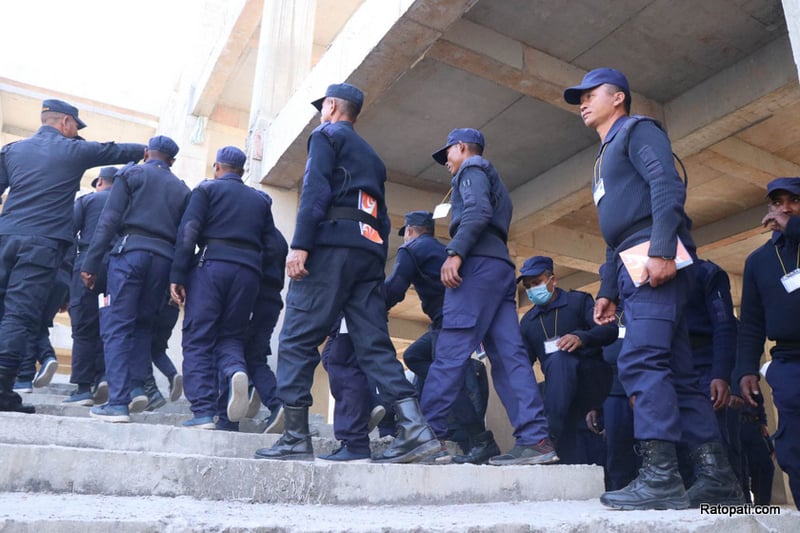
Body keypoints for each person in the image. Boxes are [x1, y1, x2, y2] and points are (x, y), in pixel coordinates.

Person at [563, 68, 742, 509]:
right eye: (578, 98)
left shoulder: (637, 132)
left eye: (590, 95)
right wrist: (606, 290)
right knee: (679, 374)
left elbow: (666, 186)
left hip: (652, 254)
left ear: (618, 97)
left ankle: (661, 476)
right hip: (630, 258)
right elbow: (614, 234)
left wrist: (663, 248)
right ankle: (717, 476)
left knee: (641, 358)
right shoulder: (602, 158)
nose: (582, 103)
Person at [254, 83, 439, 463]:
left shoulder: (325, 135)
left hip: (331, 248)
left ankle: (294, 436)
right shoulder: (372, 155)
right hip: (368, 254)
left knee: (296, 338)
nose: (321, 112)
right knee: (372, 343)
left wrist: (301, 244)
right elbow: (383, 215)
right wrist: (375, 253)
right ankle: (415, 429)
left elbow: (316, 190)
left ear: (333, 106)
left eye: (323, 106)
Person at [421, 128, 556, 466]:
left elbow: (477, 212)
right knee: (510, 358)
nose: (447, 163)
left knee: (451, 349)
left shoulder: (472, 168)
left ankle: (427, 436)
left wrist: (455, 252)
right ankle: (536, 440)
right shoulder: (493, 179)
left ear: (462, 148)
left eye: (448, 154)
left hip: (477, 268)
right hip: (499, 269)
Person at [0, 99, 145, 413]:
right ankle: (2, 390)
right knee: (18, 316)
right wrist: (150, 152)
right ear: (66, 122)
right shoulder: (74, 151)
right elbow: (120, 151)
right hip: (40, 246)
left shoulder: (12, 151)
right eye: (75, 127)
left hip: (5, 238)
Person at [82, 135, 190, 423]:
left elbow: (109, 220)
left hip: (130, 253)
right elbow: (185, 239)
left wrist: (91, 263)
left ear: (146, 153)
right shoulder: (182, 189)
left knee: (118, 325)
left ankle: (118, 403)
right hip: (163, 261)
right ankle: (138, 388)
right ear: (172, 161)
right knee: (143, 326)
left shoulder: (130, 174)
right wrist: (178, 276)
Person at [170, 146, 274, 430]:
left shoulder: (206, 190)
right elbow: (272, 245)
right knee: (231, 336)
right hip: (249, 273)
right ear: (242, 171)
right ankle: (236, 371)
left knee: (198, 338)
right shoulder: (260, 201)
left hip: (212, 265)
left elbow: (188, 231)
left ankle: (203, 412)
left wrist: (177, 274)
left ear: (217, 167)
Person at [387, 211, 498, 464]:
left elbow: (394, 288)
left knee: (449, 383)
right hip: (452, 320)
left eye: (406, 234)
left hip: (448, 320)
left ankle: (478, 440)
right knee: (415, 356)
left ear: (411, 231)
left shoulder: (412, 249)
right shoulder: (442, 250)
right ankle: (450, 375)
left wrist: (369, 305)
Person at [737, 176, 800, 510]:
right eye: (777, 203)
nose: (785, 208)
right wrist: (746, 368)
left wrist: (793, 228)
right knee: (794, 450)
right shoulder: (758, 261)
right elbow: (750, 322)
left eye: (793, 201)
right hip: (789, 364)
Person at [518, 255, 615, 463]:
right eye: (528, 286)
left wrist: (582, 337)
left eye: (537, 283)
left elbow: (609, 331)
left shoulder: (578, 302)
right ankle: (537, 438)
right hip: (559, 395)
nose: (533, 289)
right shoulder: (528, 322)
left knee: (561, 358)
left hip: (590, 382)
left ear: (553, 280)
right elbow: (523, 364)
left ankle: (547, 437)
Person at [65, 166, 118, 405]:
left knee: (84, 327)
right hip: (118, 267)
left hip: (86, 264)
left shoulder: (88, 201)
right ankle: (105, 376)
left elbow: (68, 234)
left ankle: (84, 389)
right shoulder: (128, 205)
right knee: (110, 325)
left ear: (99, 183)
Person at [244, 223, 288, 432]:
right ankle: (274, 401)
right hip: (272, 302)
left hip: (254, 298)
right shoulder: (279, 238)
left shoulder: (256, 232)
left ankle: (251, 389)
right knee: (256, 356)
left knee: (229, 346)